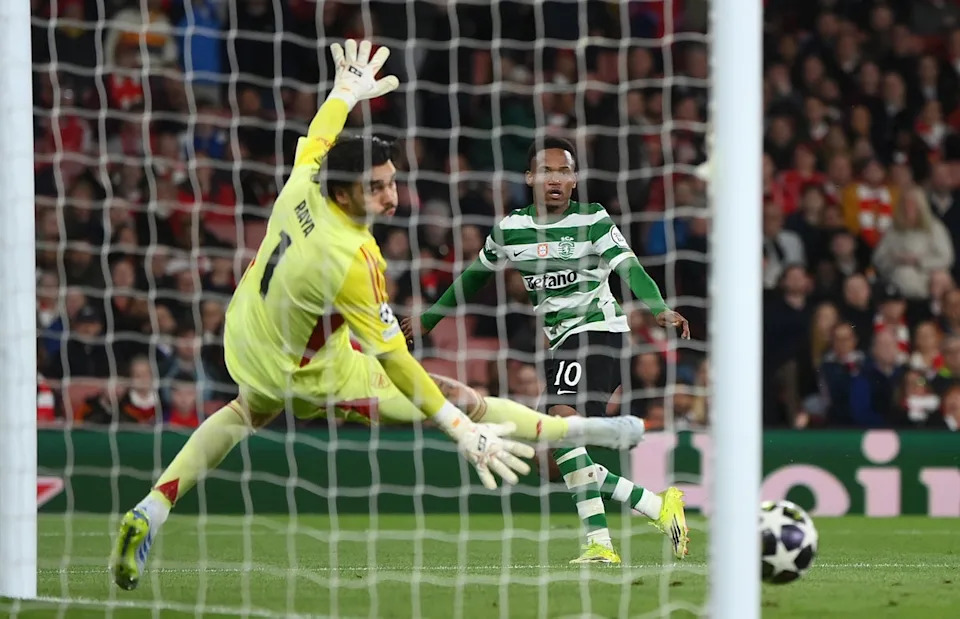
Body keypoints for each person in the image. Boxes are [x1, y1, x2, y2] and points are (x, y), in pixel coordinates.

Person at [110, 40, 645, 591]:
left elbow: (322, 132)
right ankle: (585, 428)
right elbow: (398, 364)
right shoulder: (354, 260)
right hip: (313, 373)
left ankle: (153, 507)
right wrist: (459, 430)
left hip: (250, 333)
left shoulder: (304, 180)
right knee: (460, 395)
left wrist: (345, 91)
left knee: (244, 412)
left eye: (391, 180)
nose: (392, 198)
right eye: (378, 187)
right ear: (346, 192)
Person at [402, 135, 690, 564]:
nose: (555, 179)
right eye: (547, 171)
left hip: (598, 335)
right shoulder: (511, 230)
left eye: (564, 171)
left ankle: (600, 545)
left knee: (560, 426)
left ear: (574, 180)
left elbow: (629, 266)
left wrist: (658, 307)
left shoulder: (593, 220)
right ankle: (656, 505)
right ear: (530, 178)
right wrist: (428, 319)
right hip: (560, 344)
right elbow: (473, 278)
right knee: (550, 461)